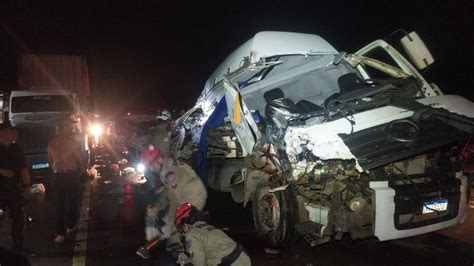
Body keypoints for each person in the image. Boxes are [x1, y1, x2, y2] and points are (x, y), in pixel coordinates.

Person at [136, 147, 207, 259]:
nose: (150, 168)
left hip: (195, 197)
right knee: (166, 222)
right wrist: (159, 207)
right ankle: (155, 245)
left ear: (159, 159)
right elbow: (171, 193)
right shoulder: (163, 169)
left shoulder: (170, 172)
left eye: (151, 164)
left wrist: (173, 224)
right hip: (182, 195)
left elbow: (179, 202)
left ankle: (183, 254)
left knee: (179, 226)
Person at [47, 120, 87, 243]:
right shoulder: (73, 143)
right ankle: (70, 226)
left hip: (57, 175)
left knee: (59, 204)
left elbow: (50, 160)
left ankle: (60, 233)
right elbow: (81, 159)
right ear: (63, 127)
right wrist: (83, 170)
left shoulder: (52, 143)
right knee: (72, 201)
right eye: (69, 126)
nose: (72, 129)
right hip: (71, 175)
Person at [0, 123, 36, 257]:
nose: (13, 134)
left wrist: (27, 187)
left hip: (14, 189)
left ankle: (18, 247)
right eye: (10, 132)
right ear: (2, 134)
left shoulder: (16, 148)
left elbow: (23, 168)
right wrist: (2, 171)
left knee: (18, 219)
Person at [174, 202, 251, 266]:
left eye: (181, 227)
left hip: (232, 263)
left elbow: (199, 263)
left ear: (186, 223)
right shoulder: (205, 227)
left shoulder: (191, 234)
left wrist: (183, 263)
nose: (183, 230)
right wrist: (187, 258)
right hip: (242, 259)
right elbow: (207, 253)